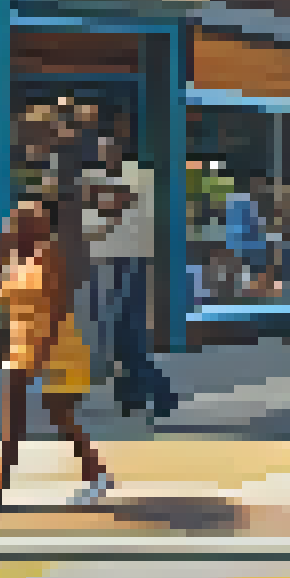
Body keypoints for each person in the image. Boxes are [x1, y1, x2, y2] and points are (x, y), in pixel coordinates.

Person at [0, 200, 108, 512]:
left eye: (20, 221)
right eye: (14, 220)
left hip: (56, 346)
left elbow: (59, 305)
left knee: (59, 413)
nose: (11, 226)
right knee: (14, 420)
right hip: (22, 345)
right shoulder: (16, 260)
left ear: (36, 226)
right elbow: (0, 297)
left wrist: (43, 349)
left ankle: (94, 469)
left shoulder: (49, 254)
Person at [80, 138, 175, 421]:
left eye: (110, 150)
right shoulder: (95, 177)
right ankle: (131, 397)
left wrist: (94, 202)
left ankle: (159, 392)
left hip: (129, 260)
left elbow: (110, 207)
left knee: (128, 334)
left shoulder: (136, 175)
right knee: (116, 338)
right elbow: (92, 213)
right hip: (102, 261)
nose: (105, 156)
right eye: (101, 151)